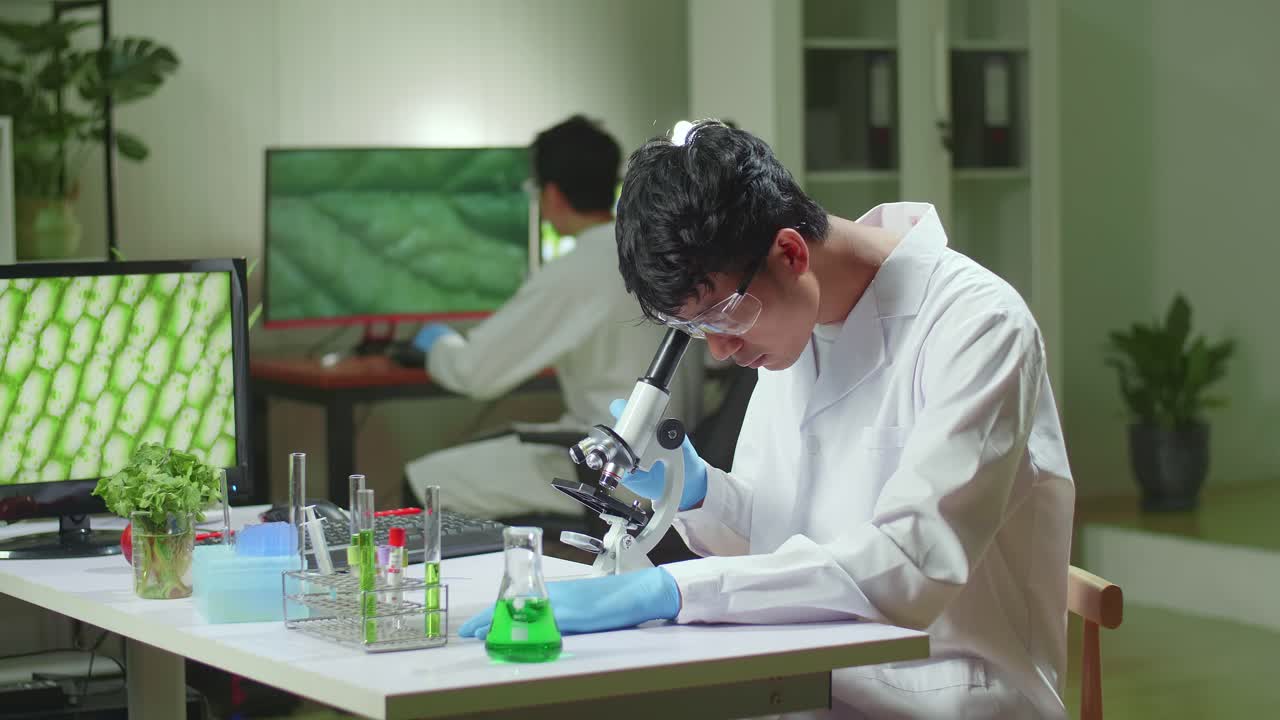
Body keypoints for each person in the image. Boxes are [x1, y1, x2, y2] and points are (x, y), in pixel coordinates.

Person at [459, 120, 1075, 719]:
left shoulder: (978, 326)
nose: (722, 351)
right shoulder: (790, 328)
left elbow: (910, 567)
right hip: (804, 680)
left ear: (789, 251)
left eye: (723, 316)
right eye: (698, 331)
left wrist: (670, 590)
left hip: (949, 693)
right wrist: (698, 493)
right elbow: (778, 537)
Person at [404, 115, 701, 519]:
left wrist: (432, 342)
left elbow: (474, 372)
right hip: (676, 464)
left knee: (424, 481)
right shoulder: (656, 251)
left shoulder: (580, 268)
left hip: (607, 471)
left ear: (553, 195)